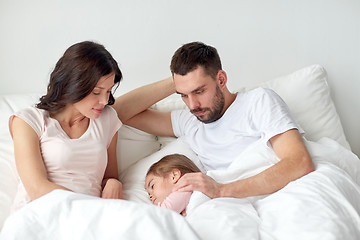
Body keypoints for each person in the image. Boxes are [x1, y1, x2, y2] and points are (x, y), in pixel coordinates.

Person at [115, 41, 315, 199]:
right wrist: (176, 81)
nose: (192, 105)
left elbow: (299, 163)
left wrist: (220, 190)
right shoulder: (189, 121)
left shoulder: (258, 101)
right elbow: (117, 112)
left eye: (199, 91)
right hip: (235, 207)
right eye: (183, 95)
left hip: (282, 194)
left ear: (221, 79)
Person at [8, 41, 175, 210]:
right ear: (72, 85)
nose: (104, 101)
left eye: (109, 91)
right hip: (41, 211)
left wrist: (113, 182)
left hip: (90, 219)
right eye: (97, 92)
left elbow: (109, 176)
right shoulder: (29, 120)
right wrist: (92, 208)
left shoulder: (106, 119)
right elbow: (36, 188)